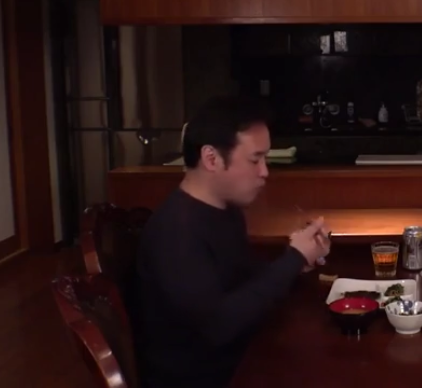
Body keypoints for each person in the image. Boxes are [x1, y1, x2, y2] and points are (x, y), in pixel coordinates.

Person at [135, 96, 331, 388]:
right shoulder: (176, 231)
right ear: (211, 158)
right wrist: (293, 258)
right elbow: (218, 326)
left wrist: (297, 263)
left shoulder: (225, 211)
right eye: (255, 160)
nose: (264, 171)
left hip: (240, 358)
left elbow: (241, 282)